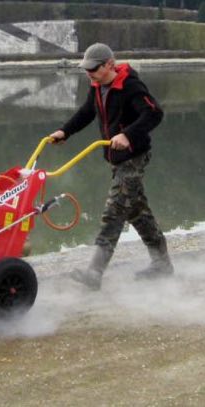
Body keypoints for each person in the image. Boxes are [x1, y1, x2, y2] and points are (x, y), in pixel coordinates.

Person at [49, 42, 174, 290]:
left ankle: (94, 273)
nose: (89, 74)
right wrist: (65, 131)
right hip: (116, 160)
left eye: (93, 69)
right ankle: (162, 265)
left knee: (115, 210)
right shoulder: (96, 86)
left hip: (134, 156)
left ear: (109, 65)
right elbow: (87, 112)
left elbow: (154, 113)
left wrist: (127, 134)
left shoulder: (130, 85)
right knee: (138, 212)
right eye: (86, 69)